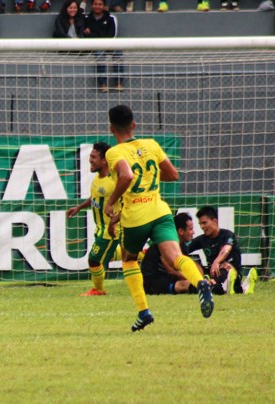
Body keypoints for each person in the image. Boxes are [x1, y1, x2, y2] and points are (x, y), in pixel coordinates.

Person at [104, 105, 214, 332]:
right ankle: (201, 283)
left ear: (111, 128)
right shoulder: (151, 145)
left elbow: (126, 175)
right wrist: (148, 176)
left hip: (136, 216)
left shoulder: (114, 152)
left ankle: (144, 312)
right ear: (134, 125)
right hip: (160, 210)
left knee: (129, 259)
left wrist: (111, 201)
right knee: (175, 256)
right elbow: (172, 174)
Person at [66, 142, 121, 297]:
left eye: (93, 157)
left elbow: (126, 203)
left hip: (110, 230)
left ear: (104, 160)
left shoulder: (114, 181)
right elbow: (95, 198)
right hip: (99, 228)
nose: (90, 160)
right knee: (107, 255)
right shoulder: (98, 178)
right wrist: (78, 208)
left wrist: (114, 221)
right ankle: (143, 253)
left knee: (94, 260)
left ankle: (98, 289)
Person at [186, 205, 257, 295]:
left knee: (224, 269)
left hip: (229, 271)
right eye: (200, 224)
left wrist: (216, 262)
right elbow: (183, 249)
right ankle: (240, 288)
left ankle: (231, 284)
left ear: (214, 221)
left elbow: (226, 249)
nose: (202, 226)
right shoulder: (202, 239)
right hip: (213, 273)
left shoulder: (228, 235)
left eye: (204, 223)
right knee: (193, 267)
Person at [142, 213, 201, 295]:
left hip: (168, 278)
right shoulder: (165, 245)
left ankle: (205, 286)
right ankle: (201, 287)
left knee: (186, 281)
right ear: (181, 231)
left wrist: (200, 278)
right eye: (190, 229)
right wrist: (195, 280)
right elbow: (172, 271)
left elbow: (184, 270)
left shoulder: (183, 246)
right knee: (183, 284)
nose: (193, 232)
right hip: (152, 281)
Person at [83, 0, 123, 93]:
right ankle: (103, 84)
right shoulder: (86, 19)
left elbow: (111, 34)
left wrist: (94, 33)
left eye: (100, 4)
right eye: (95, 4)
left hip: (108, 44)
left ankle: (118, 83)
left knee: (118, 53)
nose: (97, 6)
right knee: (100, 54)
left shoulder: (110, 18)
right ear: (92, 5)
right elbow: (86, 35)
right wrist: (98, 34)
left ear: (104, 6)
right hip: (95, 45)